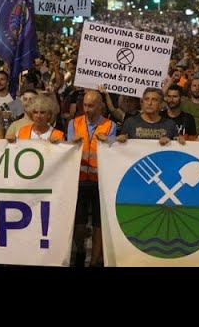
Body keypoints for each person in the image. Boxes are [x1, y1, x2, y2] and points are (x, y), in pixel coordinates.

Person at [67, 89, 116, 268]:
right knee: (79, 226)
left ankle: (95, 262)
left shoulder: (110, 126)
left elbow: (112, 151)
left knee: (98, 225)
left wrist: (109, 141)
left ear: (100, 106)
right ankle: (80, 250)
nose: (87, 109)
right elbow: (68, 148)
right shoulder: (73, 123)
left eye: (91, 106)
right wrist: (71, 142)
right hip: (78, 180)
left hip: (100, 182)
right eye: (85, 105)